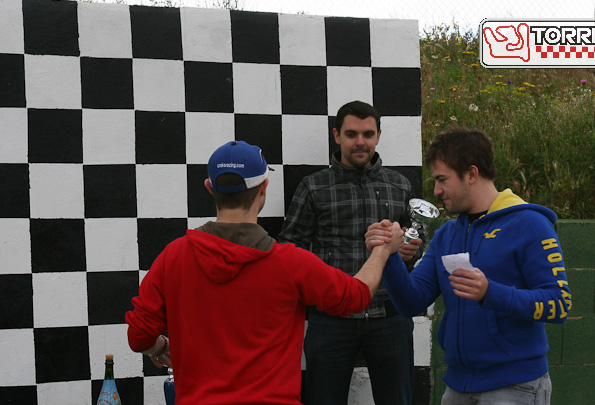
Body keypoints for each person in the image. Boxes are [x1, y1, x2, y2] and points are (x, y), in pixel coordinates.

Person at [125, 140, 405, 405]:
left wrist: (159, 347)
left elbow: (139, 336)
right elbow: (356, 296)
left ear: (209, 187)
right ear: (263, 188)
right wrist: (382, 249)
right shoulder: (291, 263)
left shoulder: (174, 257)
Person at [366, 127, 572, 404]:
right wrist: (389, 256)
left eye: (442, 179)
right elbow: (411, 303)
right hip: (457, 387)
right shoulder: (447, 234)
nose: (436, 191)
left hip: (516, 386)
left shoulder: (531, 224)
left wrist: (489, 292)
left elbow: (559, 304)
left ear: (472, 174)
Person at [278, 100, 422, 405]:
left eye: (368, 134)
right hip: (331, 318)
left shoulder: (400, 185)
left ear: (378, 136)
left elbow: (416, 241)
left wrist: (411, 252)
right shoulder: (313, 187)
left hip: (389, 315)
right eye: (351, 134)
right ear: (337, 135)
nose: (360, 142)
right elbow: (289, 249)